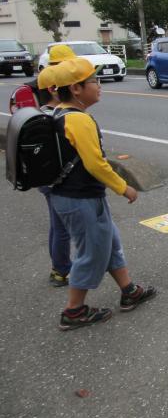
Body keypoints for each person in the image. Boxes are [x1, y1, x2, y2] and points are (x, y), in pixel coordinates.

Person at [49, 57, 156, 330]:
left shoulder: (58, 113)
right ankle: (73, 311)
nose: (99, 85)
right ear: (75, 88)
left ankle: (129, 290)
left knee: (108, 242)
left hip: (72, 196)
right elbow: (95, 163)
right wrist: (124, 187)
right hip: (80, 198)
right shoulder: (78, 120)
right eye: (94, 81)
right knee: (92, 252)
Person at [37, 61, 73, 287]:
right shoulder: (56, 117)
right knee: (61, 227)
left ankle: (57, 268)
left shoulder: (40, 113)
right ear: (53, 89)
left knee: (56, 223)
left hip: (45, 180)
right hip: (58, 181)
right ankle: (61, 270)